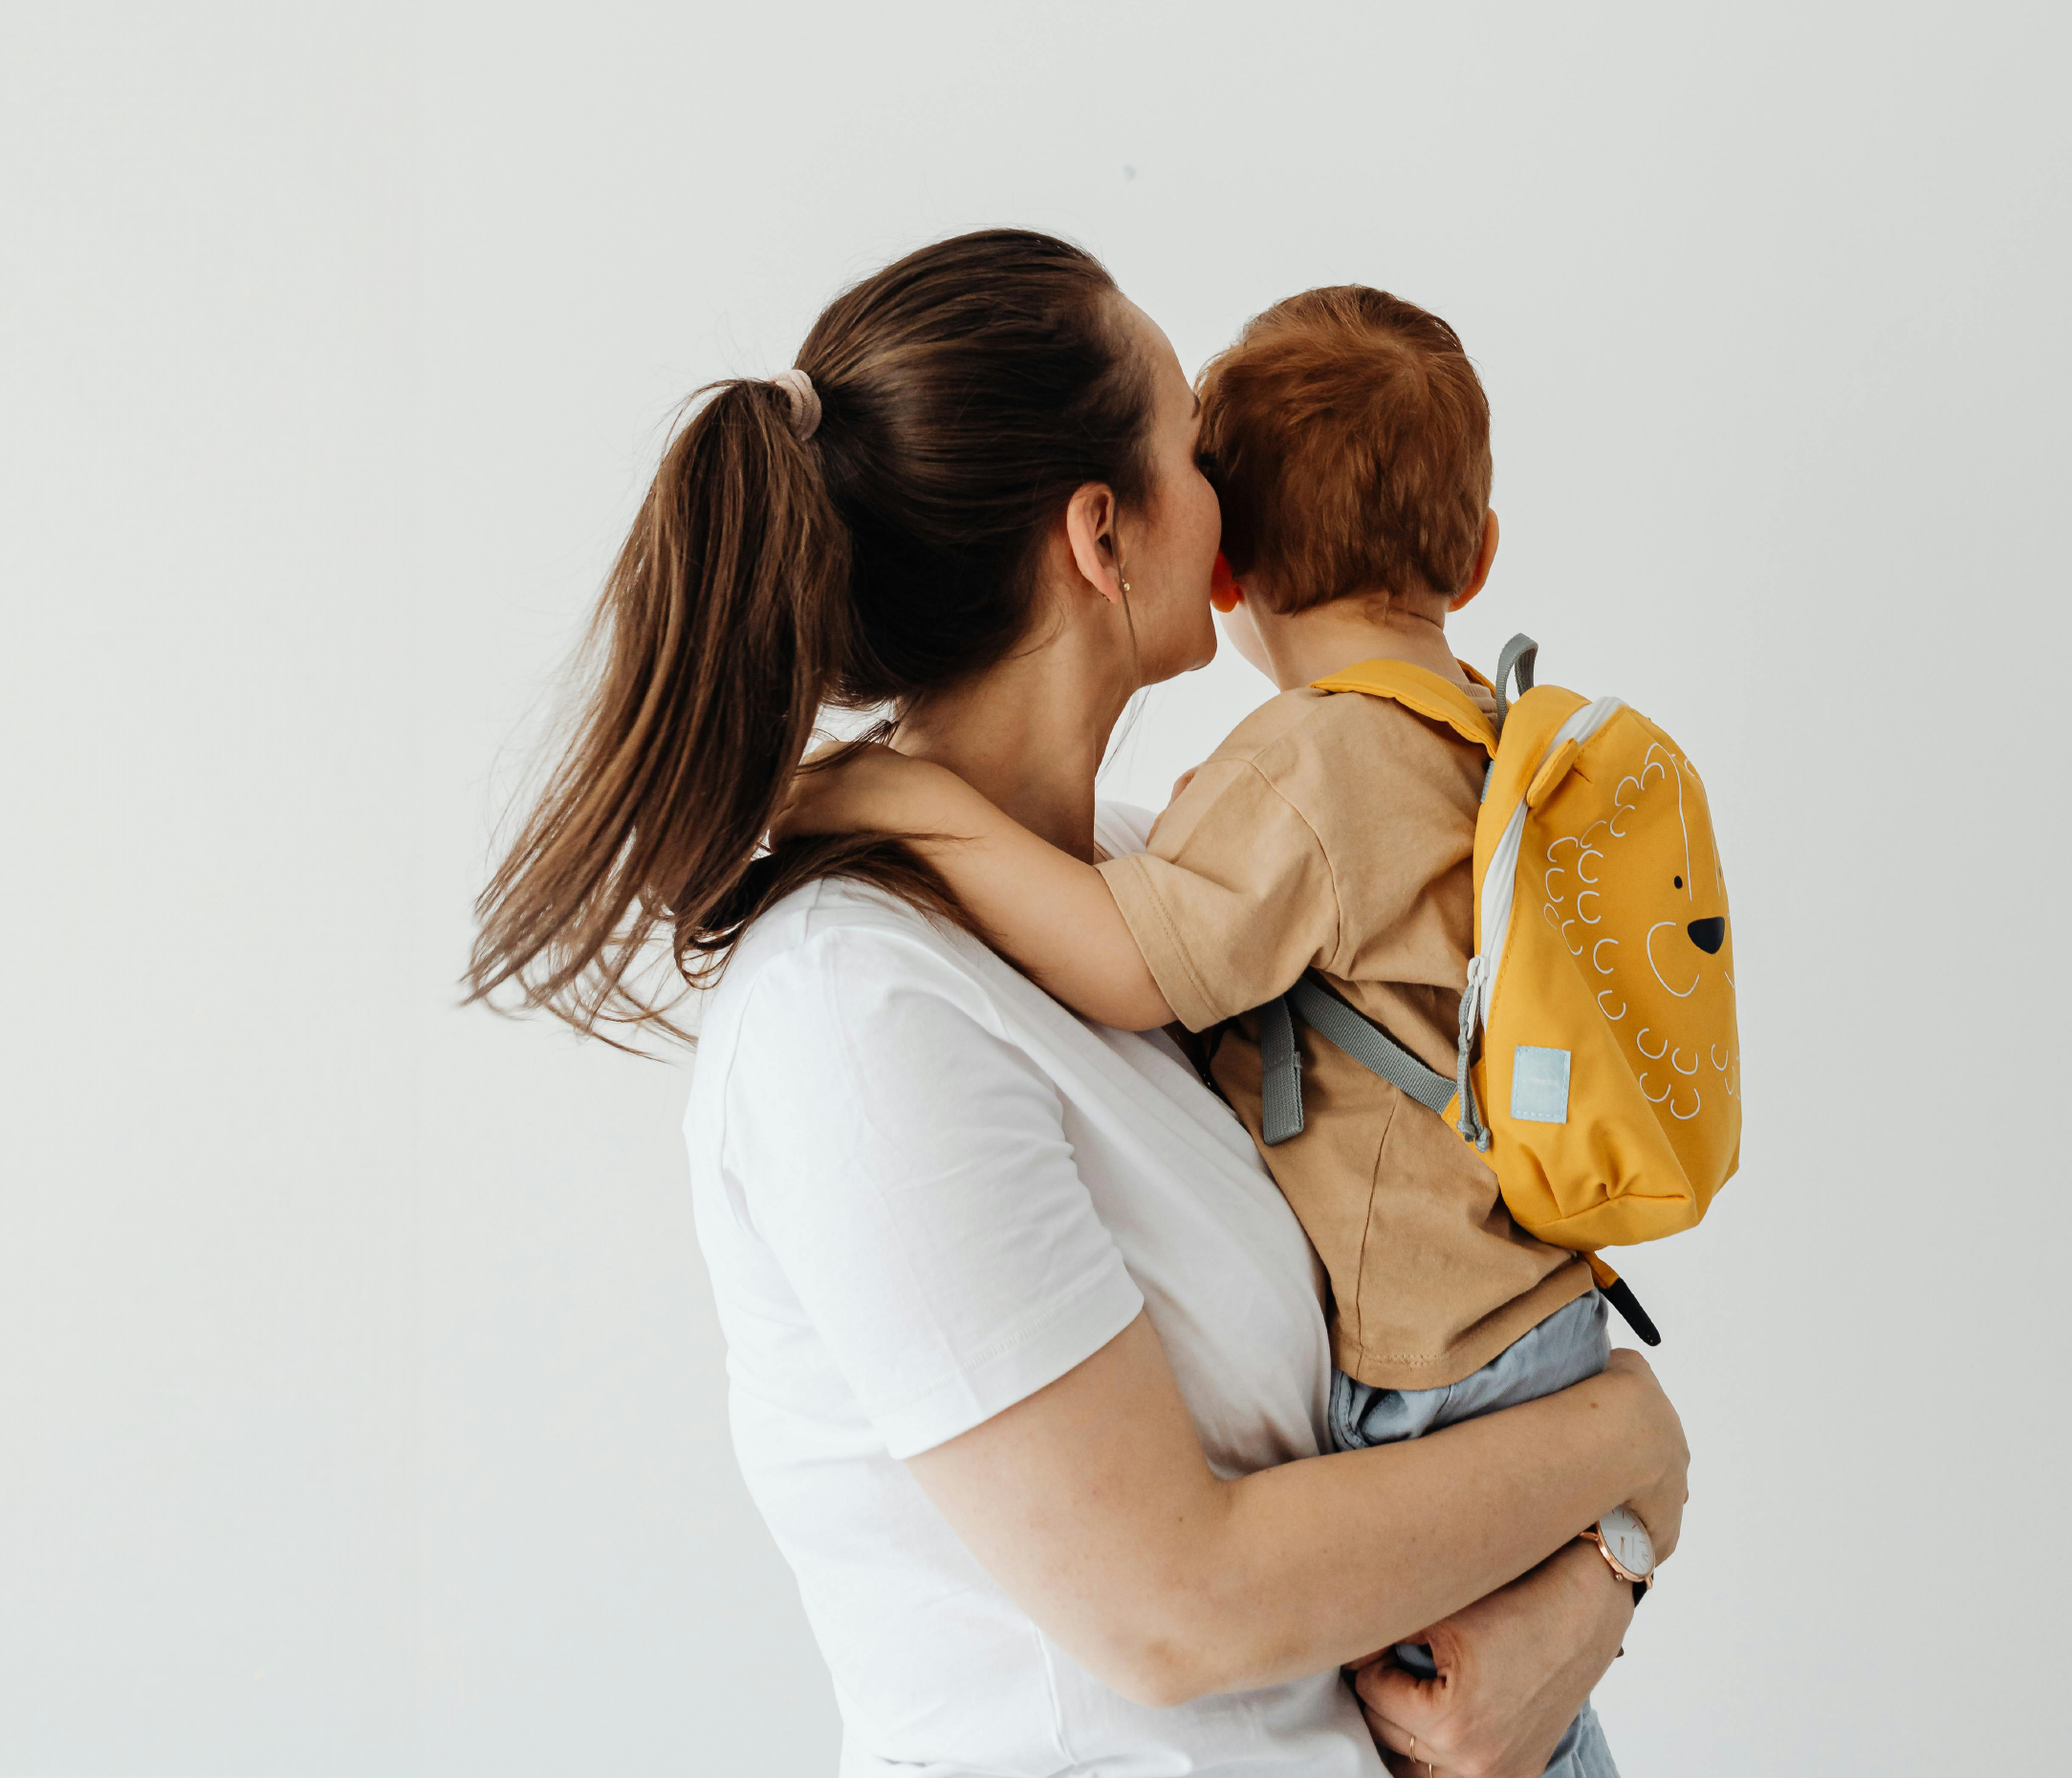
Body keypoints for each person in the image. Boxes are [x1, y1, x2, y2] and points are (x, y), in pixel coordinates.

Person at [468, 229, 1690, 1778]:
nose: (1236, 488)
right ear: (1103, 537)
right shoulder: (859, 1012)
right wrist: (1635, 1445)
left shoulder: (1155, 891)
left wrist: (1598, 1579)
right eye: (1198, 443)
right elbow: (1171, 1606)